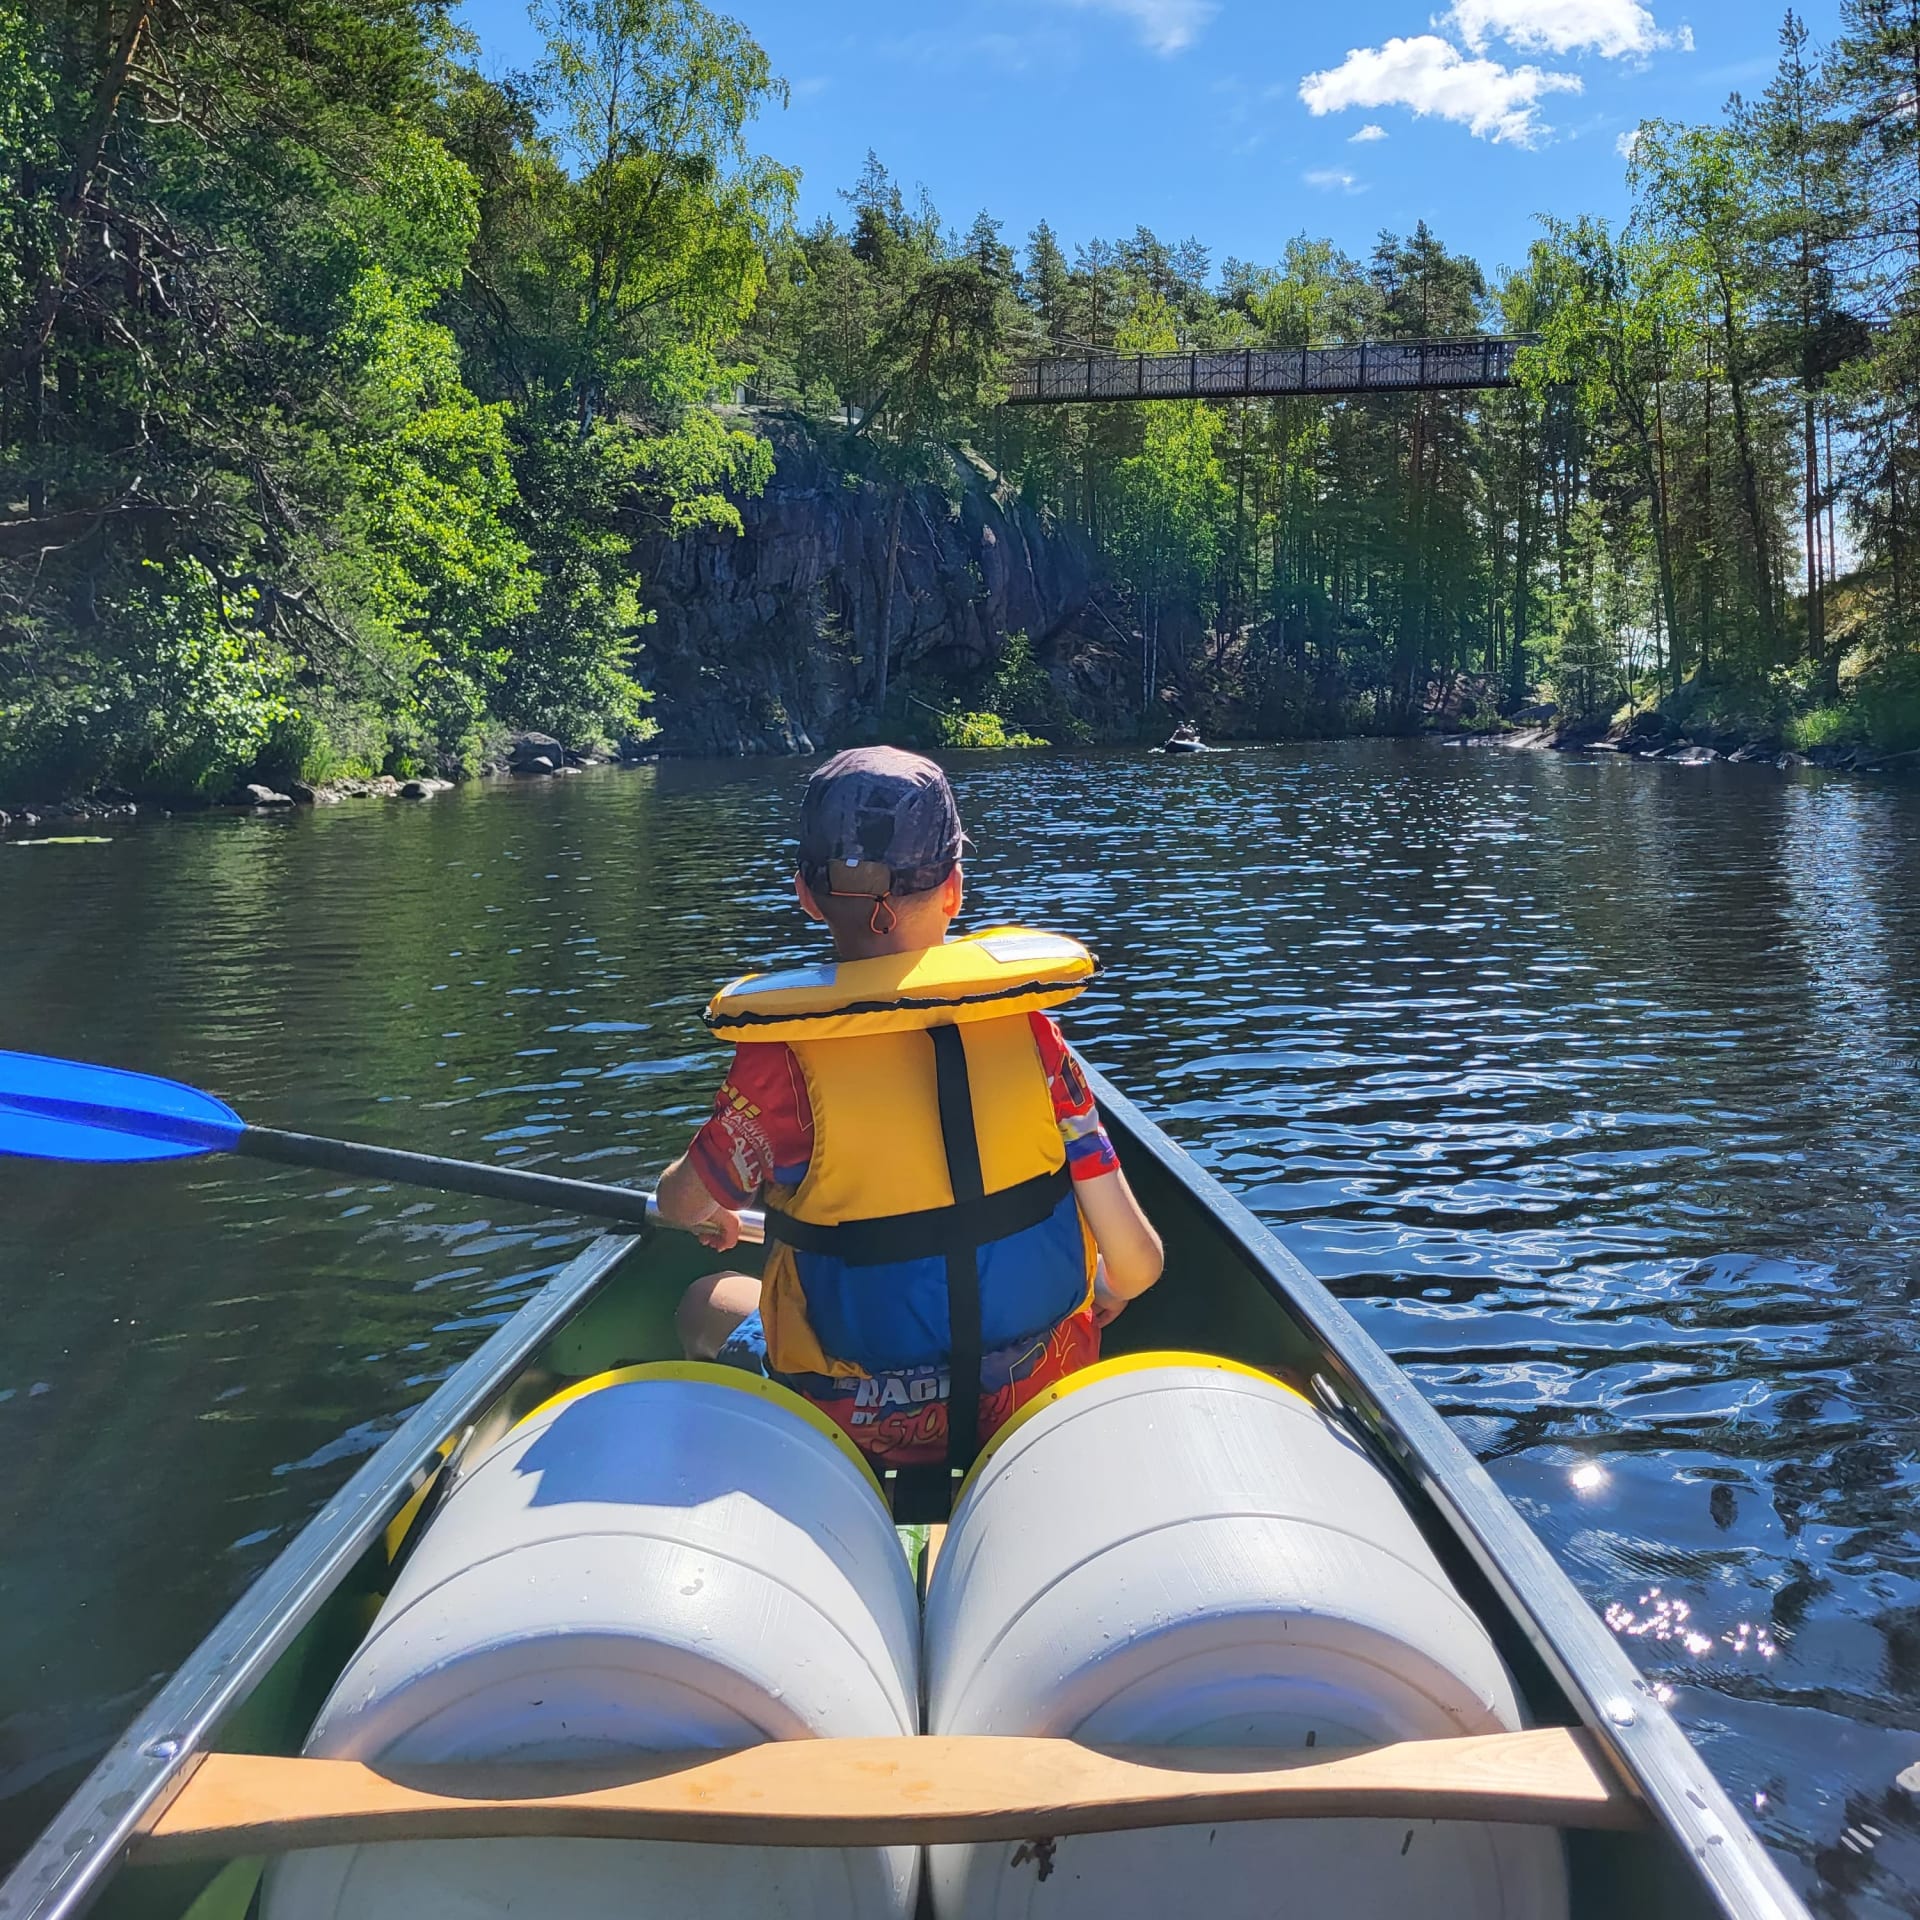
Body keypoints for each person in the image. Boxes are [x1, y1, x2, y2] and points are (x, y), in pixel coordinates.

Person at [654, 745, 1163, 1473]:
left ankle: (786, 1481)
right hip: (1033, 1399)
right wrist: (1106, 1292)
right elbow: (1138, 1264)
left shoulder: (780, 1060)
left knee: (703, 1302)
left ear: (805, 893)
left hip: (854, 1423)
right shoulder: (1033, 1034)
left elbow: (679, 1203)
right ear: (955, 889)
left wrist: (706, 1204)